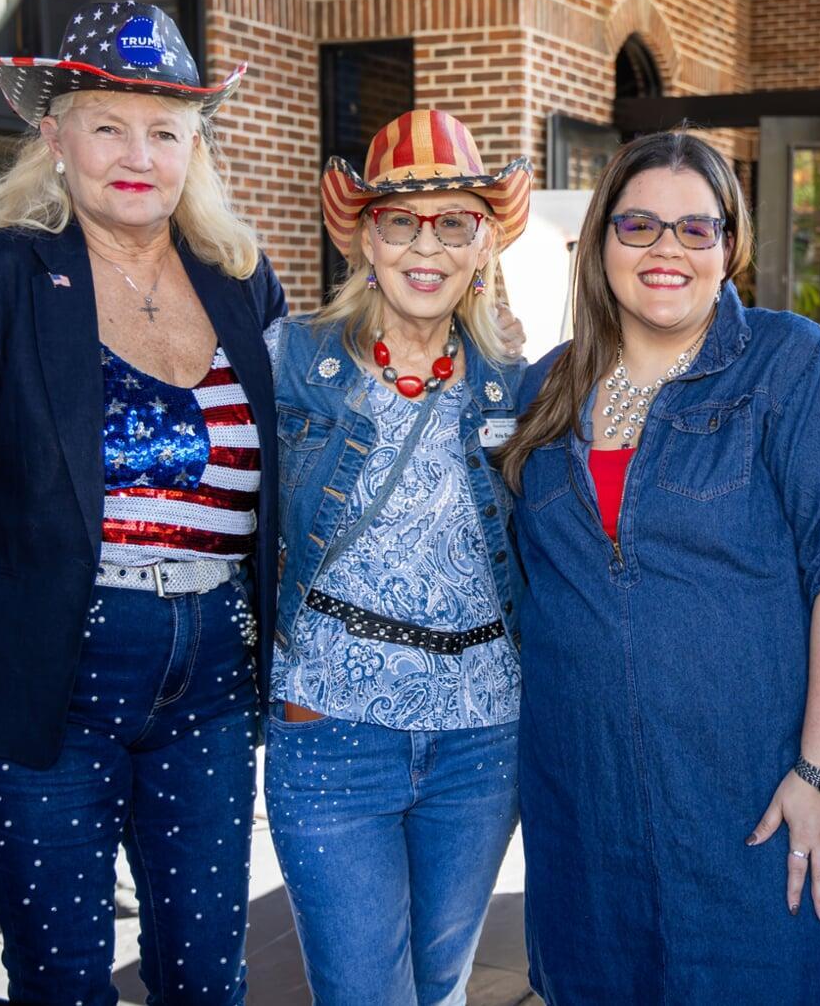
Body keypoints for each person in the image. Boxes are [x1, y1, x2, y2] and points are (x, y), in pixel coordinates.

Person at [0, 0, 280, 1006]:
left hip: (212, 675)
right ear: (54, 138)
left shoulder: (240, 283)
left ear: (194, 148)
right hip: (42, 677)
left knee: (208, 976)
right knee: (64, 980)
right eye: (108, 125)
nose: (137, 155)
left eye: (165, 130)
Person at [496, 131, 820, 1003]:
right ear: (599, 242)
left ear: (729, 244)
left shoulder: (793, 366)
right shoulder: (544, 392)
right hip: (586, 807)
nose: (665, 249)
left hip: (756, 797)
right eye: (637, 225)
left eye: (695, 228)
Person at [264, 109, 531, 1005]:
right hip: (332, 725)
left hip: (481, 736)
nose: (426, 245)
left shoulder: (517, 382)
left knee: (442, 988)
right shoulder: (290, 358)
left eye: (454, 222)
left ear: (483, 243)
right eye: (400, 221)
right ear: (365, 238)